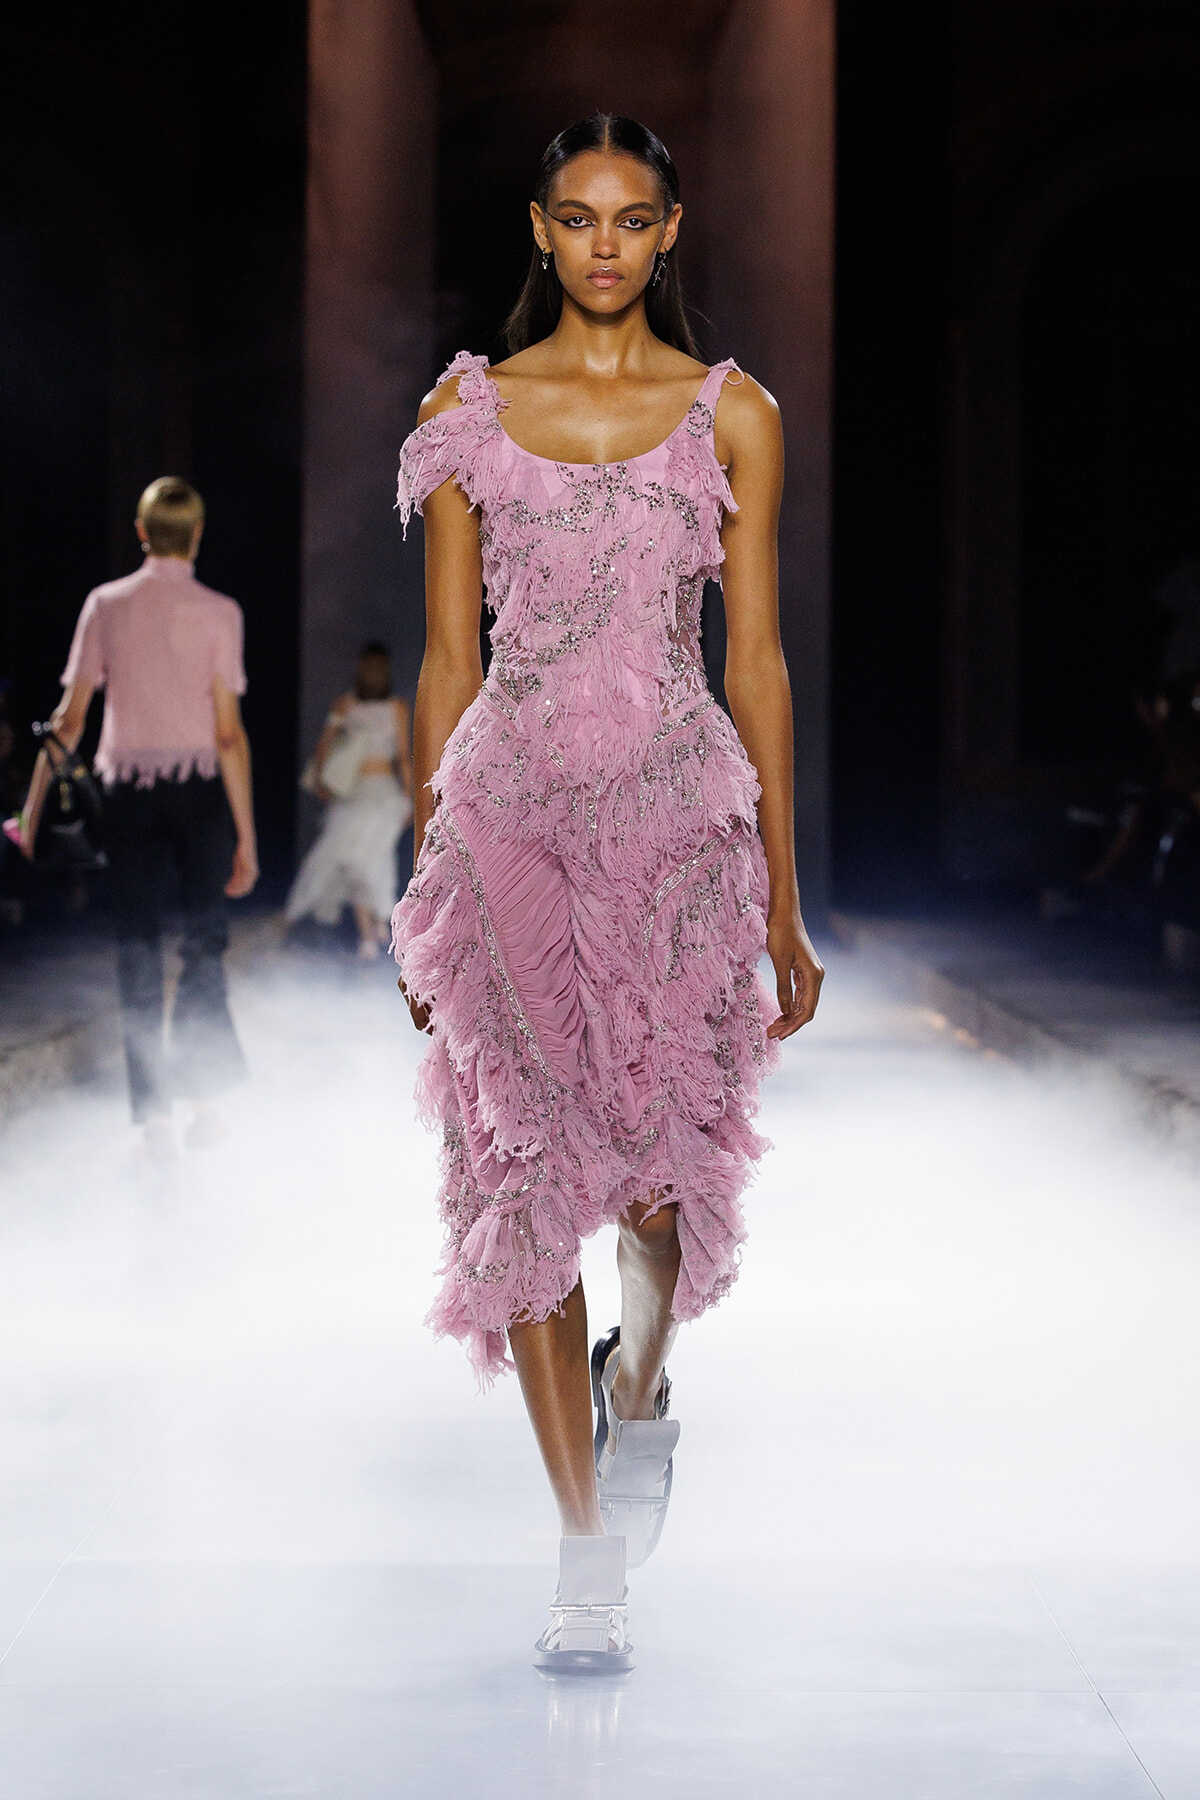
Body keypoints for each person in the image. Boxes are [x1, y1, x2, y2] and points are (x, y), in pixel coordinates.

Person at [391, 114, 823, 1672]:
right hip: (509, 826)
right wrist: (428, 885)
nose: (603, 245)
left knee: (658, 1192)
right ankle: (585, 1557)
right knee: (521, 1189)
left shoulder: (733, 415)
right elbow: (447, 664)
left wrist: (784, 899)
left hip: (675, 830)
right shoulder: (465, 414)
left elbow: (755, 659)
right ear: (539, 227)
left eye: (631, 219)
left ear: (670, 231)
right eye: (577, 217)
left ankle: (638, 1386)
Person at [10, 478, 258, 1159]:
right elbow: (228, 734)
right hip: (200, 792)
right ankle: (201, 1103)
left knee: (137, 947)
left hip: (128, 795)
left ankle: (155, 1123)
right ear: (198, 535)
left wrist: (30, 812)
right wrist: (247, 836)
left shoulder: (105, 603)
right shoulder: (220, 612)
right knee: (203, 941)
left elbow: (69, 722)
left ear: (142, 533)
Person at [285, 642, 413, 958]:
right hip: (359, 795)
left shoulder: (391, 707)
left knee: (368, 859)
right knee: (358, 860)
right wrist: (320, 779)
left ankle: (374, 930)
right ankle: (374, 928)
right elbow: (325, 747)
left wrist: (411, 800)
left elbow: (402, 758)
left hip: (382, 796)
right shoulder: (346, 705)